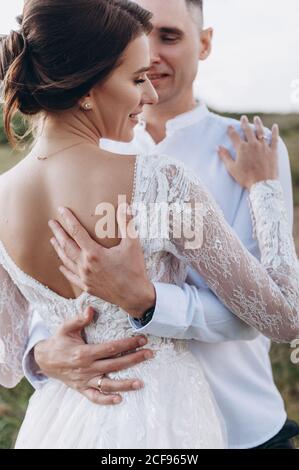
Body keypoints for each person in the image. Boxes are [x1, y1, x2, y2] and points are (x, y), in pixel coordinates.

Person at [0, 0, 298, 449]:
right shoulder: (160, 181)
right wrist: (266, 190)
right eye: (136, 78)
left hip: (61, 427)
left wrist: (146, 301)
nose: (150, 92)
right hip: (168, 422)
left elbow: (5, 362)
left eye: (170, 37)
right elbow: (287, 316)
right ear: (90, 85)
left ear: (204, 42)